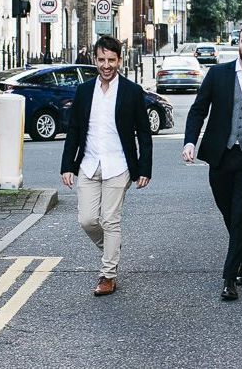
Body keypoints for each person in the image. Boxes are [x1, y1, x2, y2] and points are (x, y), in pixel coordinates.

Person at [182, 24, 242, 300]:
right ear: (238, 43)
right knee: (229, 213)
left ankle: (229, 277)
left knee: (241, 216)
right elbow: (198, 109)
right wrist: (190, 140)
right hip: (221, 156)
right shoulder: (218, 75)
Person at [60, 35, 152, 297]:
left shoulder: (132, 92)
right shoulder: (84, 90)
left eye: (111, 60)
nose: (106, 65)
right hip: (89, 163)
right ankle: (112, 248)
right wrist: (67, 165)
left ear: (120, 60)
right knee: (87, 220)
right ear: (94, 59)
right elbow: (75, 130)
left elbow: (144, 134)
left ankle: (107, 274)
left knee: (111, 219)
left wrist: (144, 169)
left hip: (118, 164)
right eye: (101, 59)